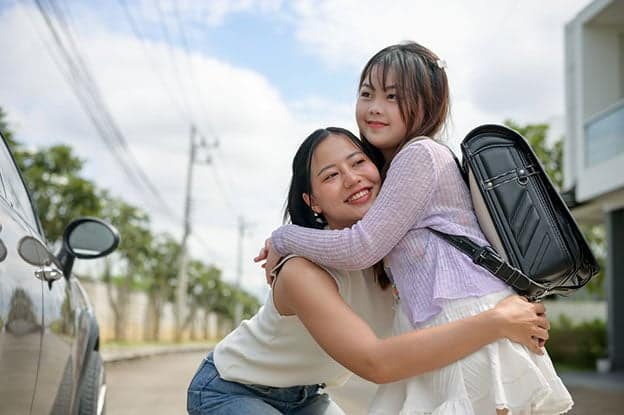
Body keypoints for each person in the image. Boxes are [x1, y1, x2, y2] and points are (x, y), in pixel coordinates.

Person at [263, 42, 573, 414]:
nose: (375, 107)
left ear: (426, 104)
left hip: (464, 313)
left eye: (393, 97)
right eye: (367, 94)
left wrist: (283, 238)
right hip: (445, 320)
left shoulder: (419, 155)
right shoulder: (396, 170)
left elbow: (361, 247)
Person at [187, 127, 550, 415]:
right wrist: (494, 323)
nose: (351, 178)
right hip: (231, 388)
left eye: (358, 162)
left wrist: (518, 319)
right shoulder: (302, 271)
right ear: (311, 202)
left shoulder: (394, 256)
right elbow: (375, 362)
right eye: (330, 175)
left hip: (307, 395)